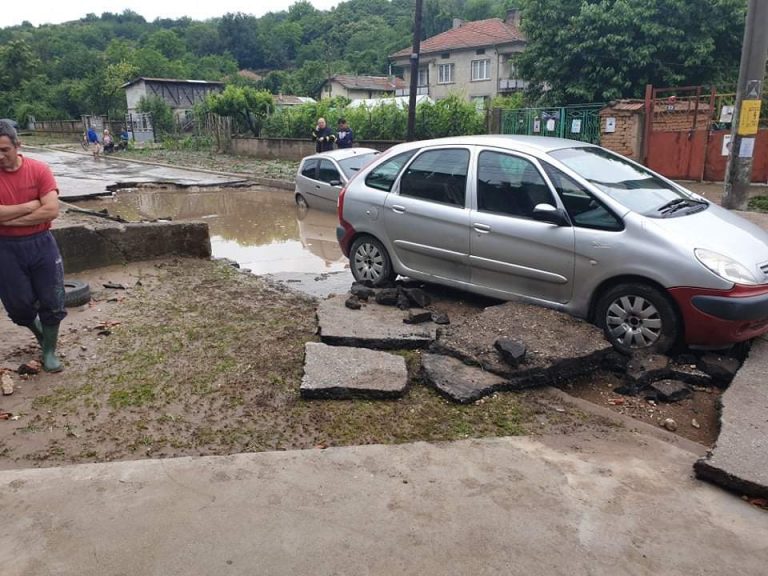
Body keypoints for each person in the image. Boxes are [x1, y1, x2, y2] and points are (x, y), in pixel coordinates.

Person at [0, 120, 66, 372]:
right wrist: (29, 206)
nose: (0, 155)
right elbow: (39, 208)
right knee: (18, 305)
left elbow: (51, 210)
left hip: (41, 243)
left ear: (18, 145)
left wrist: (8, 218)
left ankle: (49, 350)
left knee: (53, 298)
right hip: (5, 247)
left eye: (4, 149)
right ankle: (40, 332)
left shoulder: (39, 170)